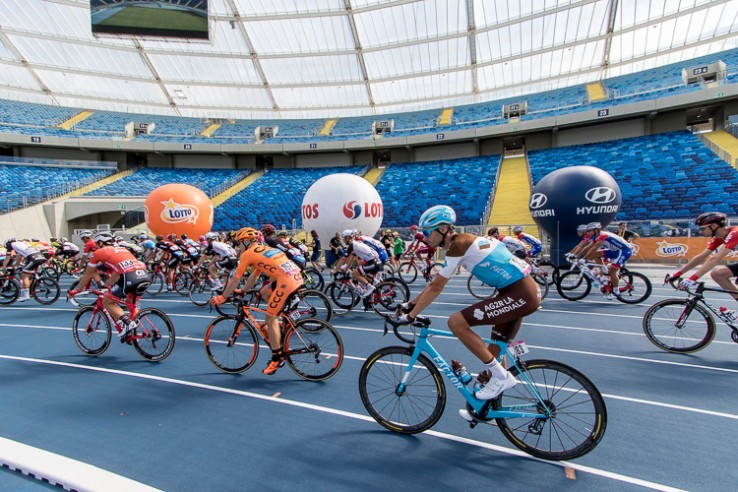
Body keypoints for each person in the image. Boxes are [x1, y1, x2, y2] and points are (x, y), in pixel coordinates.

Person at [394, 205, 540, 405]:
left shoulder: (458, 245)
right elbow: (433, 285)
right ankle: (485, 409)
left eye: (427, 232)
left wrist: (410, 316)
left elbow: (436, 287)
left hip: (519, 294)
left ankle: (502, 377)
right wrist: (410, 304)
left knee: (456, 322)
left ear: (443, 229)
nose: (425, 238)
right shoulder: (466, 240)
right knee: (495, 350)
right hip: (520, 292)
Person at [211, 227, 304, 375]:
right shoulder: (264, 249)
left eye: (239, 243)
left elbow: (235, 278)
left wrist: (222, 297)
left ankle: (277, 358)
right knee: (264, 292)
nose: (239, 247)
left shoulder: (248, 254)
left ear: (246, 242)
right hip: (296, 277)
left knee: (270, 318)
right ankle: (282, 322)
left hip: (286, 281)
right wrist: (243, 290)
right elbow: (255, 275)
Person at [68, 232, 151, 342]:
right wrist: (106, 285)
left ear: (101, 242)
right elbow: (116, 273)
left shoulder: (98, 252)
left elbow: (88, 274)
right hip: (144, 275)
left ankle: (127, 323)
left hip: (129, 277)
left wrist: (78, 290)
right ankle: (131, 332)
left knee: (107, 301)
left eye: (97, 243)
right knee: (131, 303)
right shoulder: (122, 249)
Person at [669, 212, 738, 314]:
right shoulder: (719, 237)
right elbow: (701, 257)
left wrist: (691, 279)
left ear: (714, 226)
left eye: (702, 228)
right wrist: (677, 274)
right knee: (717, 275)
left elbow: (715, 259)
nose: (700, 231)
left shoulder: (735, 233)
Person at [575, 222, 633, 300]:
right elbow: (588, 247)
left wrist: (584, 259)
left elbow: (593, 248)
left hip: (624, 251)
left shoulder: (602, 235)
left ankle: (616, 292)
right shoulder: (596, 236)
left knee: (612, 271)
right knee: (595, 254)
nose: (587, 233)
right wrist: (576, 256)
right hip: (615, 250)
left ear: (595, 230)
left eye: (589, 231)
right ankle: (605, 271)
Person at [331, 229, 380, 298]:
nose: (343, 240)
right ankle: (373, 296)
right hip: (376, 262)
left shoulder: (352, 245)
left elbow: (343, 259)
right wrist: (346, 268)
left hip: (373, 263)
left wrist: (335, 270)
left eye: (344, 238)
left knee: (354, 273)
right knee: (366, 279)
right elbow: (352, 258)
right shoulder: (356, 244)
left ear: (348, 237)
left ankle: (370, 287)